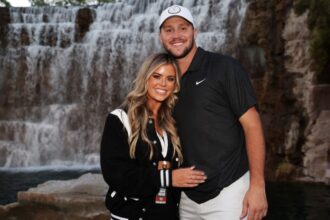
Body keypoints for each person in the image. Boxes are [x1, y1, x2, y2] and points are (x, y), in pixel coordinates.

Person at [158, 5, 268, 220]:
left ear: (195, 32)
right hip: (187, 198)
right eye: (169, 30)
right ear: (161, 36)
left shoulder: (225, 67)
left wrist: (257, 186)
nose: (176, 35)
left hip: (230, 191)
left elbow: (252, 125)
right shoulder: (164, 81)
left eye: (183, 28)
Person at [100, 53, 206, 220]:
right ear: (146, 78)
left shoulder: (174, 121)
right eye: (157, 76)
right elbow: (116, 174)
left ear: (175, 85)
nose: (163, 84)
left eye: (170, 79)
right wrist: (168, 178)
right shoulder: (120, 118)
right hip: (131, 215)